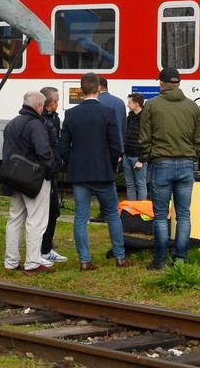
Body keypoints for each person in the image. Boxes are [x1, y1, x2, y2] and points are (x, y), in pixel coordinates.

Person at [58, 72, 131, 271]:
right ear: (99, 88)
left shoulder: (71, 114)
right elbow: (116, 145)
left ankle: (84, 260)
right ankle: (120, 257)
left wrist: (73, 162)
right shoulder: (107, 112)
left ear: (81, 90)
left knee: (81, 217)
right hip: (103, 173)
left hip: (80, 174)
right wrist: (109, 163)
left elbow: (63, 146)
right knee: (113, 215)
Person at [140, 67, 200, 270]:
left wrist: (151, 157)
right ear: (178, 83)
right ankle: (180, 260)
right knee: (184, 215)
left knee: (160, 215)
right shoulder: (192, 106)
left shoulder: (151, 105)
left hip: (161, 164)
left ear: (161, 83)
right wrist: (191, 155)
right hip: (186, 164)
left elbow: (144, 138)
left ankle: (159, 260)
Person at [2, 91, 58, 275]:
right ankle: (32, 263)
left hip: (15, 178)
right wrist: (50, 171)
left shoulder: (11, 123)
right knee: (36, 221)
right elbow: (44, 152)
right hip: (34, 180)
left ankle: (11, 262)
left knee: (15, 219)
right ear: (38, 106)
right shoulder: (35, 124)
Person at [39, 86, 67, 264]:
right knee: (48, 212)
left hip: (53, 171)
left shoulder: (53, 119)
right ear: (52, 103)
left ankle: (46, 247)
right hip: (47, 172)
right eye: (57, 99)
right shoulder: (45, 122)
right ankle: (43, 250)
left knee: (53, 211)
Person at [92, 76, 126, 222]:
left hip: (97, 147)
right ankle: (111, 211)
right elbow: (123, 127)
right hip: (115, 147)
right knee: (110, 181)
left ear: (98, 87)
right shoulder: (119, 102)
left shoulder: (96, 102)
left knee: (96, 182)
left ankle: (104, 212)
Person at [123, 93, 148, 201]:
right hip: (127, 155)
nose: (128, 105)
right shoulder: (130, 117)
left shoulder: (145, 119)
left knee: (141, 184)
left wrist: (142, 160)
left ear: (136, 104)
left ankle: (141, 211)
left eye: (130, 102)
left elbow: (148, 140)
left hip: (138, 157)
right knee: (130, 184)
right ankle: (131, 209)